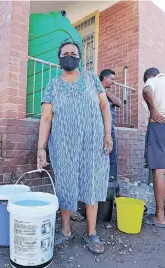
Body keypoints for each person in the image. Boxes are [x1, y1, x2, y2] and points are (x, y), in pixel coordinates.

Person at [37, 41, 113, 253]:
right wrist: (41, 148)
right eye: (65, 53)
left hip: (92, 143)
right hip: (63, 145)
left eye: (74, 53)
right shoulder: (52, 84)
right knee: (65, 183)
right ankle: (66, 230)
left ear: (79, 57)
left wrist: (108, 134)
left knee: (91, 183)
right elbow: (46, 117)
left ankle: (92, 234)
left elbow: (104, 105)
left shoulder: (90, 79)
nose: (69, 56)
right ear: (59, 58)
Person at [142, 67, 165, 228]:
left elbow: (147, 91)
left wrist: (153, 110)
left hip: (159, 125)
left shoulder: (153, 80)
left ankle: (159, 216)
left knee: (159, 169)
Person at [99, 69, 121, 182]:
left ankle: (112, 180)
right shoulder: (95, 92)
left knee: (113, 155)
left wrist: (104, 91)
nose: (113, 82)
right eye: (112, 79)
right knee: (102, 154)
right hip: (101, 129)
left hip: (110, 128)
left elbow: (118, 102)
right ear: (104, 78)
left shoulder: (104, 93)